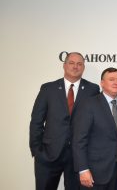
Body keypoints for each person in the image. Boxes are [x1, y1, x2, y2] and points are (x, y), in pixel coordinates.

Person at [29, 52, 100, 190]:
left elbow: (95, 123)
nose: (75, 67)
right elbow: (36, 121)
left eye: (79, 64)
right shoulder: (48, 89)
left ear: (83, 67)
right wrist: (37, 150)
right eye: (71, 63)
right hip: (48, 155)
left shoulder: (93, 89)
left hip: (77, 158)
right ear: (64, 65)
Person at [72, 67, 117, 189]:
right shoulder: (89, 104)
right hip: (93, 173)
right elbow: (79, 140)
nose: (116, 82)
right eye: (111, 79)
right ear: (102, 83)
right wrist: (83, 169)